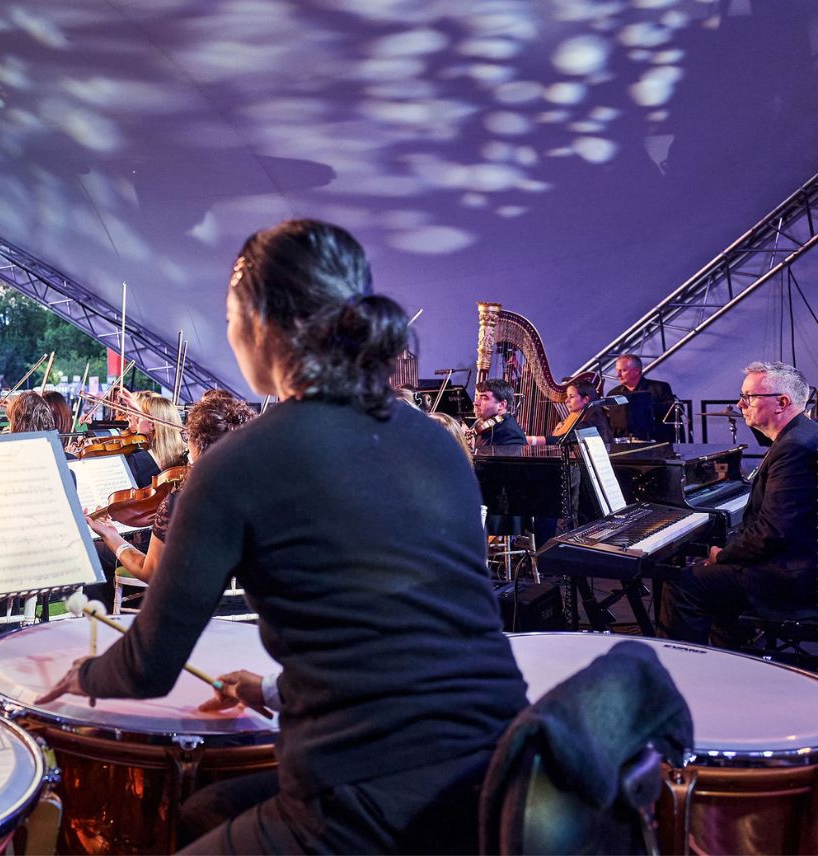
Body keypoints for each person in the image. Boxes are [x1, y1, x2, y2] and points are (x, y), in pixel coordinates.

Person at [37, 219, 527, 854]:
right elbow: (397, 637)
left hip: (369, 802)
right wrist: (268, 690)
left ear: (259, 321)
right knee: (206, 810)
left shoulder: (237, 464)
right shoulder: (433, 441)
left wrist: (84, 673)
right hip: (498, 775)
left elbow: (149, 668)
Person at [660, 361, 818, 646]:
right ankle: (731, 656)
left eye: (748, 397)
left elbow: (772, 533)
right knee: (715, 581)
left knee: (683, 585)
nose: (739, 403)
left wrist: (722, 555)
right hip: (801, 561)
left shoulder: (793, 448)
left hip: (792, 578)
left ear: (782, 402)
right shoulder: (804, 433)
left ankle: (679, 679)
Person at [89, 394, 254, 583]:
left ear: (196, 442)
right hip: (253, 608)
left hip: (200, 608)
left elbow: (150, 572)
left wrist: (111, 536)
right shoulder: (267, 489)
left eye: (187, 436)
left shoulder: (181, 502)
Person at [607, 354, 677, 442]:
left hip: (656, 441)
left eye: (623, 370)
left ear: (636, 371)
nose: (618, 375)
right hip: (623, 442)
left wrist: (644, 406)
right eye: (617, 371)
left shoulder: (660, 387)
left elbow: (674, 410)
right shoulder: (613, 393)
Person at [527, 378, 612, 446]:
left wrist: (532, 440)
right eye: (567, 396)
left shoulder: (590, 422)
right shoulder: (586, 416)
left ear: (585, 399)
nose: (566, 400)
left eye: (571, 396)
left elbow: (563, 440)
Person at [473, 379, 526, 447]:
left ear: (502, 405)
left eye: (484, 398)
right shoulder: (490, 424)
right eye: (476, 397)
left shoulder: (511, 436)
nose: (476, 403)